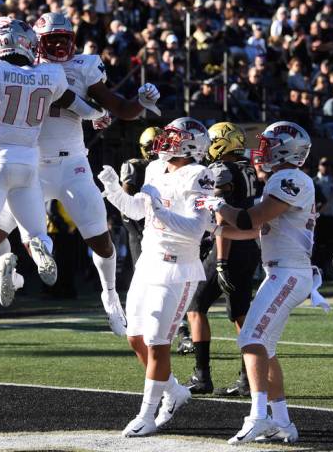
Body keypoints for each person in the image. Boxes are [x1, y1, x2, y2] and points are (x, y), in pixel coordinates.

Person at [0, 13, 161, 336]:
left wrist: (139, 103)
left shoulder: (82, 66)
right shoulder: (21, 68)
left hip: (73, 164)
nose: (59, 46)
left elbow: (119, 108)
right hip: (32, 166)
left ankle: (110, 297)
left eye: (64, 38)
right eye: (52, 40)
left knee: (101, 241)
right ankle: (7, 277)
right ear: (35, 43)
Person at [0, 18, 106, 308]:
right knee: (37, 235)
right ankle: (37, 256)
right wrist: (98, 113)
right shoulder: (49, 74)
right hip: (30, 164)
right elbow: (80, 107)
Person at [196, 121, 315, 445]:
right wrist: (215, 230)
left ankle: (259, 416)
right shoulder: (283, 179)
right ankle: (283, 422)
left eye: (268, 144)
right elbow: (251, 231)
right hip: (281, 272)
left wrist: (219, 205)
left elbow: (250, 219)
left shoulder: (289, 178)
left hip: (290, 272)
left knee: (250, 337)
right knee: (265, 347)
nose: (261, 150)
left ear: (285, 149)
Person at [98, 117, 215, 437]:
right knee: (135, 337)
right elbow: (136, 210)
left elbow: (196, 227)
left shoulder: (200, 175)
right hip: (148, 262)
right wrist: (111, 191)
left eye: (173, 137)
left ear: (190, 144)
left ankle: (148, 414)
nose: (165, 141)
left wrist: (160, 212)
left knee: (158, 341)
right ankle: (175, 391)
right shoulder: (153, 169)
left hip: (177, 266)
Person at [184, 122, 260, 397]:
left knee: (195, 306)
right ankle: (247, 379)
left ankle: (202, 376)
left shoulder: (221, 170)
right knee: (241, 316)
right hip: (249, 245)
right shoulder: (247, 168)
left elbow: (220, 218)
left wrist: (221, 261)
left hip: (228, 246)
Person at [120, 127, 160, 267]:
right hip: (141, 224)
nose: (155, 150)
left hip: (162, 225)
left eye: (159, 145)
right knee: (142, 270)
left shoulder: (171, 167)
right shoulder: (134, 166)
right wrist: (138, 231)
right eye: (151, 146)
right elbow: (126, 204)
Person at [312, 157, 333, 277]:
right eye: (323, 164)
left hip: (331, 216)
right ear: (319, 166)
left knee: (329, 245)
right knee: (317, 245)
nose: (325, 167)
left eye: (328, 164)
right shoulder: (314, 181)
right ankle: (318, 270)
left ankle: (327, 270)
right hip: (318, 217)